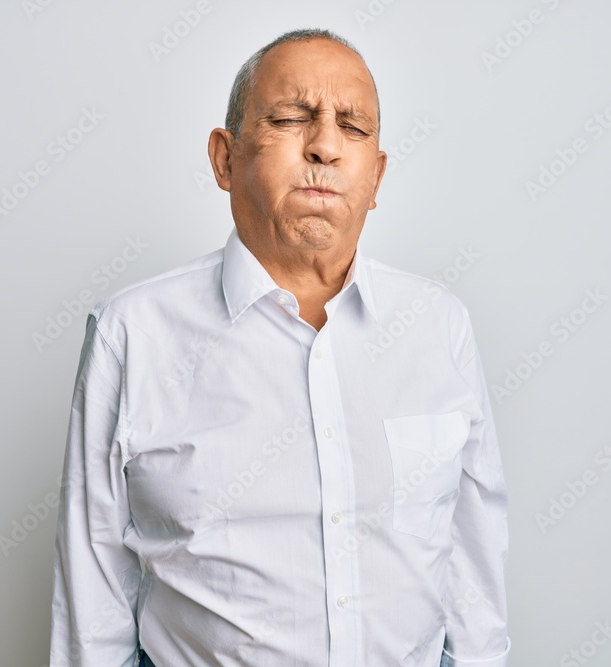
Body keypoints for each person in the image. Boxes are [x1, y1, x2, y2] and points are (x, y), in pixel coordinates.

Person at [50, 28, 510, 667]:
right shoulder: (132, 334)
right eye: (292, 118)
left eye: (353, 128)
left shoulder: (438, 326)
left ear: (376, 178)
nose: (324, 145)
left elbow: (472, 574)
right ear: (224, 157)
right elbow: (92, 597)